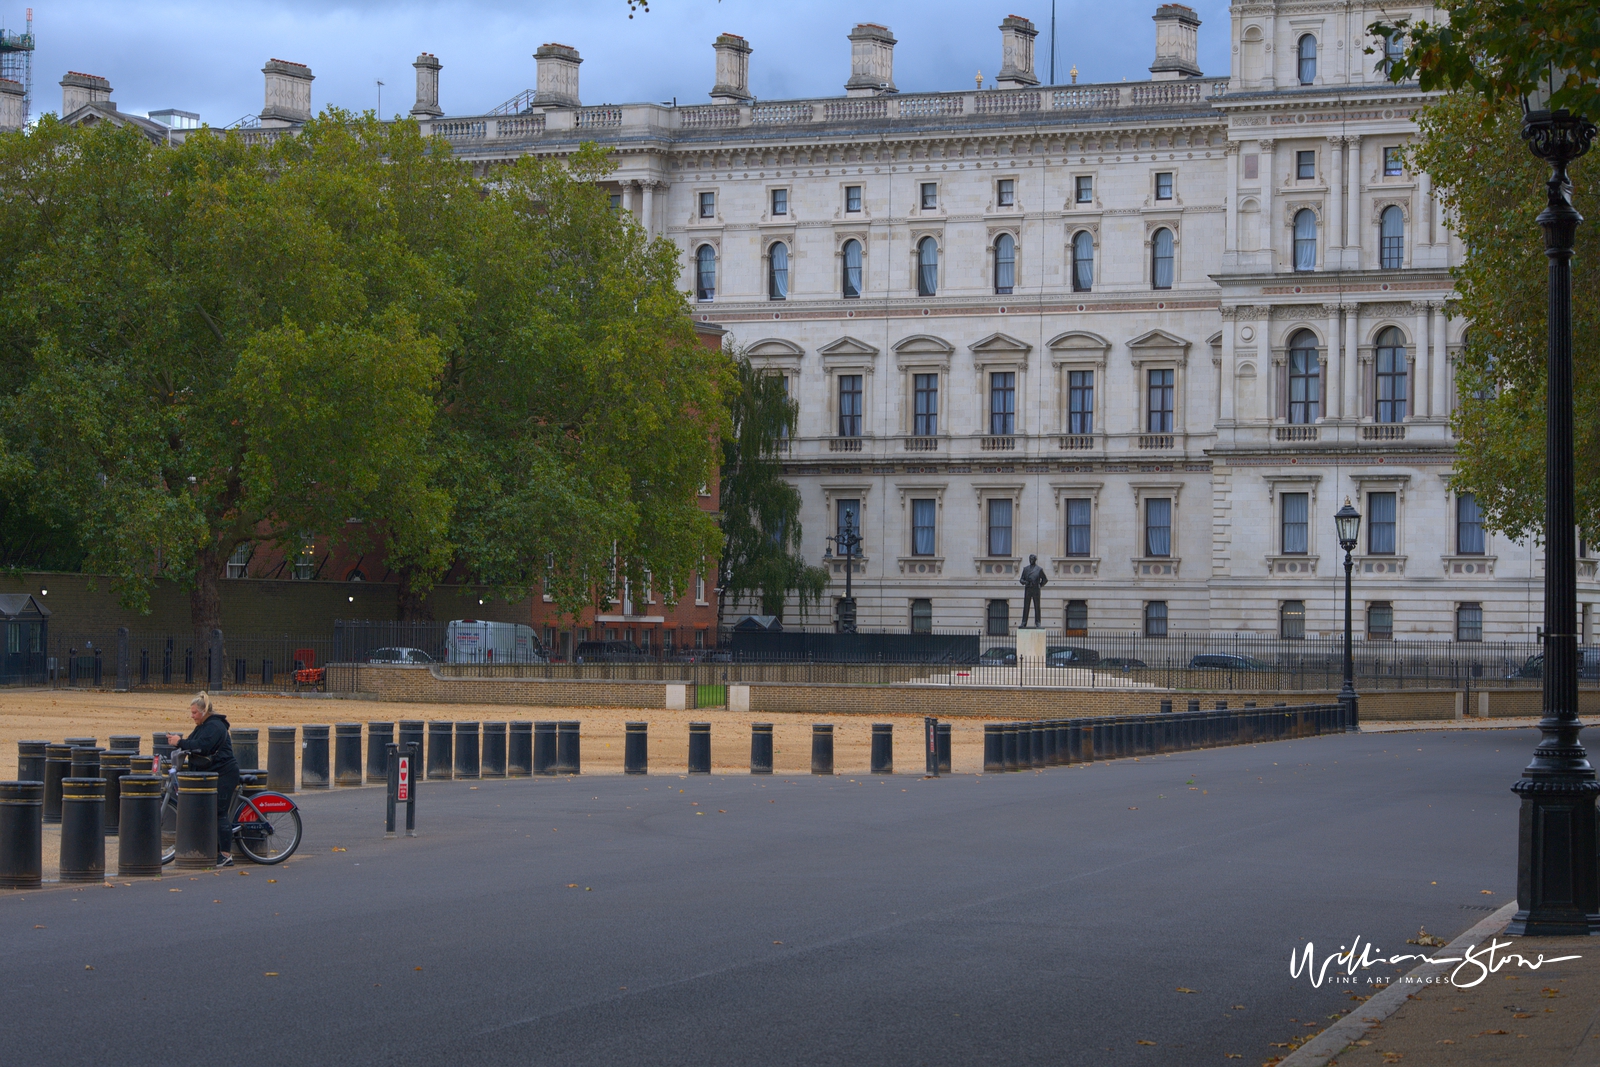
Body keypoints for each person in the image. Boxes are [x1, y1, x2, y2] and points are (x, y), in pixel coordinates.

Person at [166, 692, 239, 867]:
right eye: (191, 713)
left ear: (204, 711)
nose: (192, 716)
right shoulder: (203, 725)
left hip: (225, 773)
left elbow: (203, 746)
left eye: (194, 713)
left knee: (219, 812)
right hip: (213, 772)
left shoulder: (215, 726)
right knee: (209, 810)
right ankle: (213, 849)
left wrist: (180, 742)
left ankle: (225, 854)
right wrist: (181, 744)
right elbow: (193, 742)